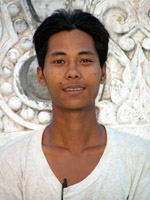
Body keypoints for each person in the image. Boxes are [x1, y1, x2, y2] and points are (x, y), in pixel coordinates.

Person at [0, 9, 150, 200]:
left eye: (85, 60)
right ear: (41, 75)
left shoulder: (139, 159)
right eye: (60, 61)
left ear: (103, 72)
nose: (72, 72)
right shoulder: (11, 161)